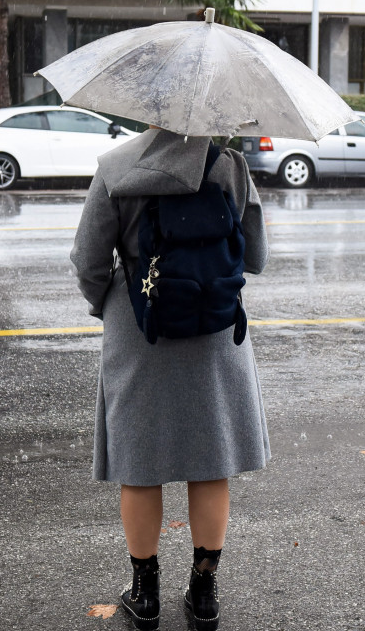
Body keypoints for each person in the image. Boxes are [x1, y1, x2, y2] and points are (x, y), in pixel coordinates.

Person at [70, 128, 271, 631]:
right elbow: (254, 256)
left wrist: (113, 304)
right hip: (213, 327)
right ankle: (204, 594)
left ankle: (146, 593)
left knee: (141, 463)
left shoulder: (116, 167)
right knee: (211, 460)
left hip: (142, 328)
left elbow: (88, 260)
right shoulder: (227, 166)